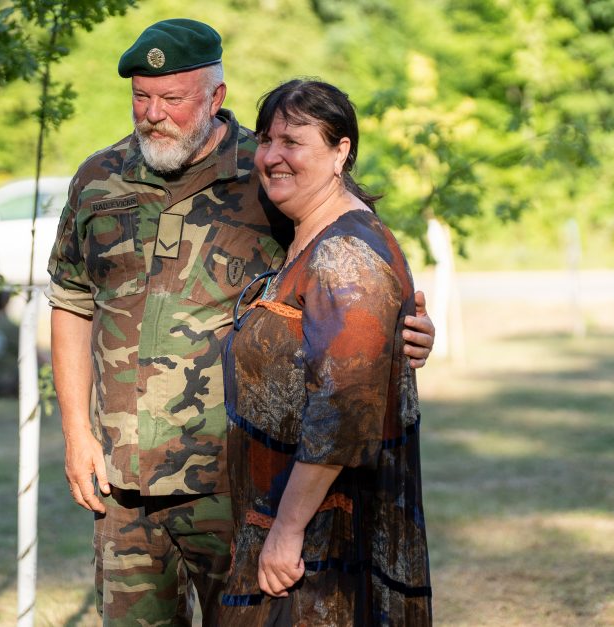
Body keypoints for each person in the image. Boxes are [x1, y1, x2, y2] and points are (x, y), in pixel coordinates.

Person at [48, 19, 435, 625]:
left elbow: (349, 270)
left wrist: (408, 332)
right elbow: (72, 299)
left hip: (235, 484)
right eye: (141, 97)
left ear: (215, 97)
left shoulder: (271, 173)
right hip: (125, 481)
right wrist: (76, 432)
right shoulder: (99, 179)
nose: (154, 114)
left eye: (173, 99)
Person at [219, 79, 432, 624]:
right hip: (293, 521)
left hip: (322, 543)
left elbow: (342, 413)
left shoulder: (345, 256)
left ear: (341, 152)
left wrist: (287, 533)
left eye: (294, 141)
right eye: (266, 139)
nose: (271, 156)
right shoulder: (304, 234)